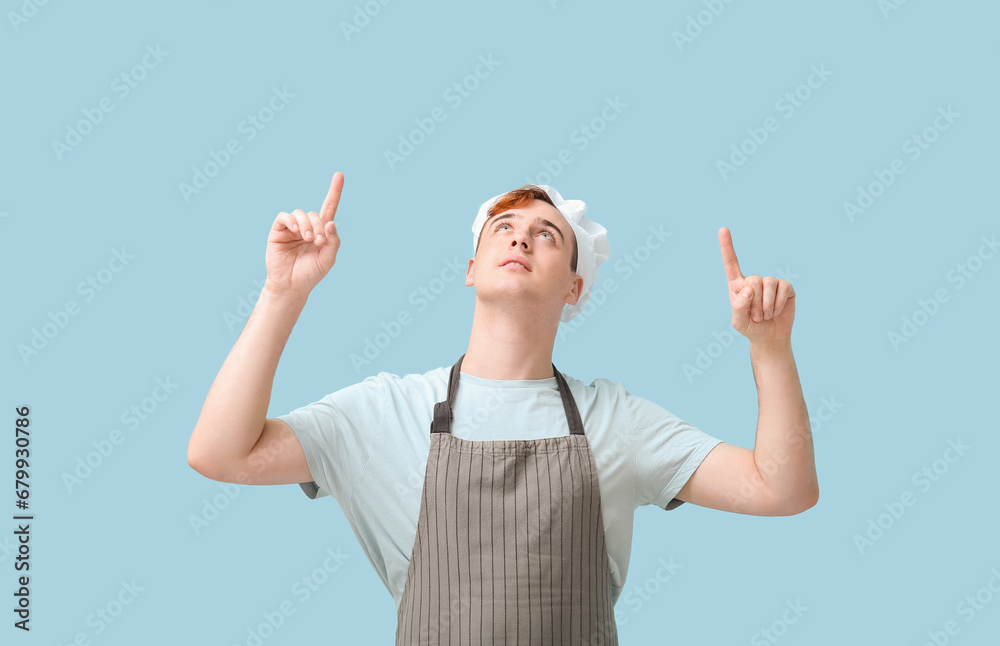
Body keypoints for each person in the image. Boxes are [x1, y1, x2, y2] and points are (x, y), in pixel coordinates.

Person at [187, 172, 818, 644]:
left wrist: (769, 350)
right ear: (470, 268)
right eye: (504, 227)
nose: (522, 236)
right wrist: (282, 292)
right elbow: (220, 453)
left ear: (575, 287)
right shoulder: (387, 412)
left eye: (548, 234)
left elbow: (780, 487)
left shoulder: (615, 421)